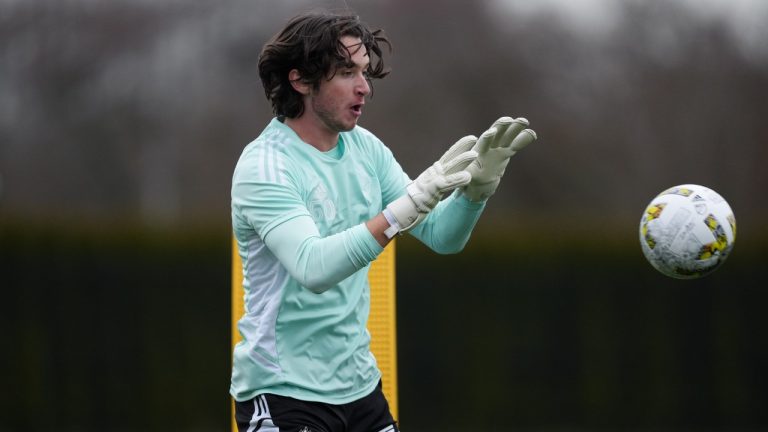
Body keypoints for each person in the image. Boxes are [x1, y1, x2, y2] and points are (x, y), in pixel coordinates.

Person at [230, 10, 536, 432]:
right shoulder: (265, 166)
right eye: (346, 73)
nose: (364, 87)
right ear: (299, 80)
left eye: (363, 72)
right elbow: (313, 267)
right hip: (284, 394)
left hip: (360, 391)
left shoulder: (366, 149)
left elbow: (441, 236)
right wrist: (403, 210)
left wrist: (475, 193)